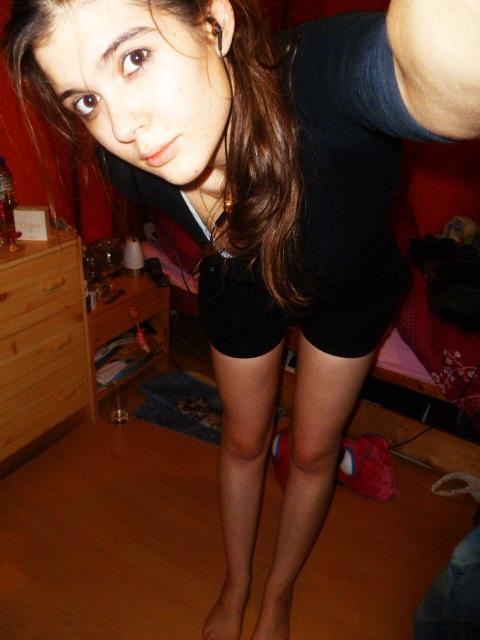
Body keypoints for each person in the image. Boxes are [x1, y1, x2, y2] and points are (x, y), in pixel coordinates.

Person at [5, 1, 480, 638]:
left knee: (312, 453)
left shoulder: (318, 83)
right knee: (243, 440)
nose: (123, 127)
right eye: (86, 101)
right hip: (239, 278)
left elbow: (440, 69)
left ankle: (277, 596)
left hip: (350, 285)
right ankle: (237, 582)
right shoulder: (126, 166)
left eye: (135, 58)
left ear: (215, 22)